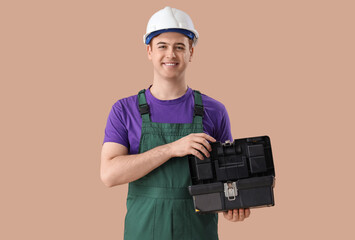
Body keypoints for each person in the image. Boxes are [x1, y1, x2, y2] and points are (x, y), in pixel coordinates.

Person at [100, 6, 250, 240]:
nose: (171, 54)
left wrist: (233, 206)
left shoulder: (215, 111)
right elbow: (109, 174)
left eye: (179, 47)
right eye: (162, 46)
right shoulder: (124, 110)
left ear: (191, 52)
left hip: (198, 232)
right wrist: (171, 149)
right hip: (143, 232)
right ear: (149, 51)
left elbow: (227, 179)